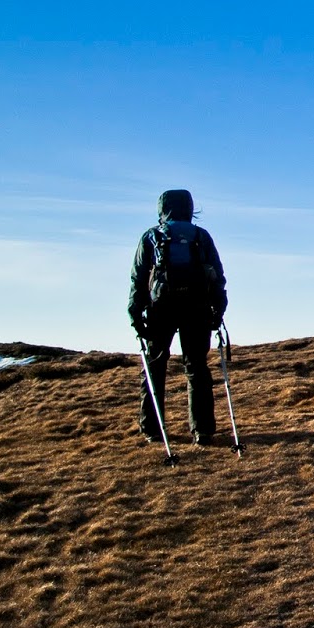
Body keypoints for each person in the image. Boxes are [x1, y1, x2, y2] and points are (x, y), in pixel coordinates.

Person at [128, 189, 227, 446]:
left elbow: (138, 278)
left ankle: (152, 428)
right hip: (198, 308)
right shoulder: (201, 236)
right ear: (190, 208)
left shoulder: (152, 236)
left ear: (162, 208)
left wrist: (135, 313)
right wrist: (219, 308)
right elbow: (217, 274)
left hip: (162, 308)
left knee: (155, 367)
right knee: (196, 368)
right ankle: (202, 430)